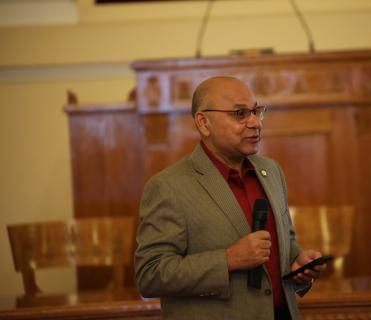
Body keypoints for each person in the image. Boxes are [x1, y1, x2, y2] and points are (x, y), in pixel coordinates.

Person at [135, 76, 324, 320]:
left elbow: (284, 240)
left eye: (257, 111)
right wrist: (227, 260)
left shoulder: (271, 171)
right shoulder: (168, 186)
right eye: (240, 114)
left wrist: (297, 261)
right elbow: (149, 275)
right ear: (204, 123)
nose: (255, 122)